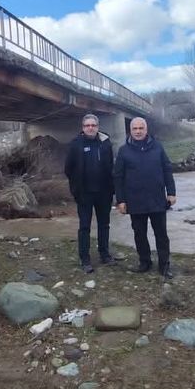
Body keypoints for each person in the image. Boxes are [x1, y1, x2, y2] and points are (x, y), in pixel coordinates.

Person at [113, 117, 176, 279]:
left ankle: (164, 265)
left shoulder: (158, 147)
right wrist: (120, 200)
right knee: (139, 234)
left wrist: (171, 192)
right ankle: (144, 262)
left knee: (161, 234)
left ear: (146, 130)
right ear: (131, 131)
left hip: (157, 199)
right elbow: (118, 177)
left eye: (141, 128)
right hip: (135, 201)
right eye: (135, 129)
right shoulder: (123, 151)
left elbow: (167, 170)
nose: (138, 131)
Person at [64, 113, 116, 273]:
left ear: (97, 127)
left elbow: (111, 167)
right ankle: (85, 259)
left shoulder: (105, 143)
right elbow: (68, 169)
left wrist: (112, 188)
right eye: (87, 125)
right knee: (84, 226)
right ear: (83, 128)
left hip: (104, 193)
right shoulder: (76, 144)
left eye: (93, 125)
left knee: (104, 225)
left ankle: (104, 254)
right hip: (84, 193)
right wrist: (76, 188)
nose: (90, 128)